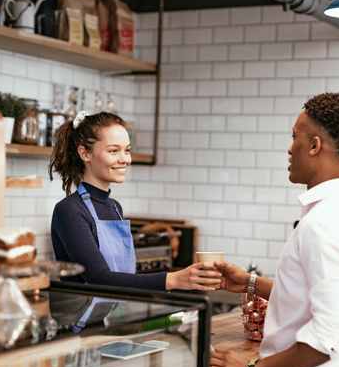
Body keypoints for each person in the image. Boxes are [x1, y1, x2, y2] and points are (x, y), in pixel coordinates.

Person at [210, 92, 339, 367]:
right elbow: (313, 294)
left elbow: (331, 335)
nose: (289, 149)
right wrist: (252, 283)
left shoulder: (323, 223)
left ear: (314, 145)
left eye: (294, 137)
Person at [48, 111, 220, 293]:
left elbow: (123, 274)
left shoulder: (115, 207)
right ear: (85, 153)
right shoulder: (69, 210)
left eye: (127, 150)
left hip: (113, 316)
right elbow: (99, 278)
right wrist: (174, 279)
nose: (124, 159)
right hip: (81, 319)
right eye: (113, 150)